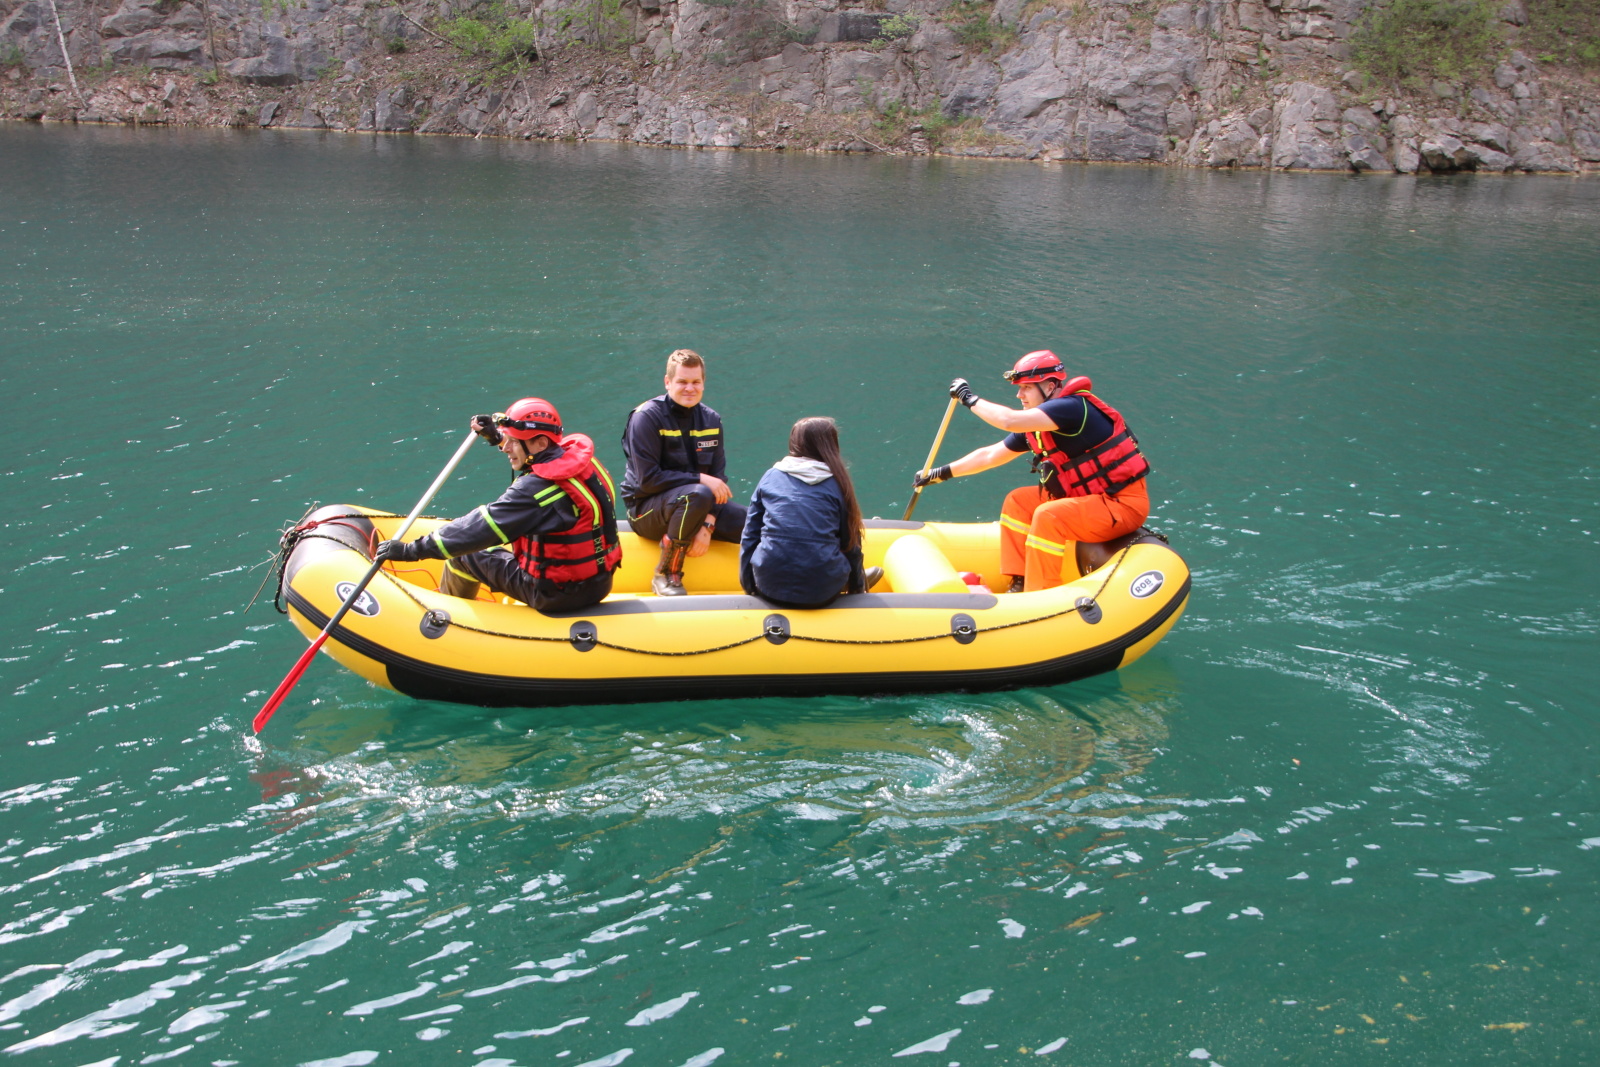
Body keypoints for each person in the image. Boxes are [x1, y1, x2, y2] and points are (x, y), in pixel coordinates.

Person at [911, 351, 1151, 593]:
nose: (1019, 395)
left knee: (1049, 515)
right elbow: (990, 455)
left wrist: (969, 398)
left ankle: (1040, 592)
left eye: (1026, 387)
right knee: (1018, 502)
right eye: (1019, 388)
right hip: (1086, 500)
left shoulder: (1072, 409)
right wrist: (940, 473)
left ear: (1050, 386)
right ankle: (1020, 580)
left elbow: (1008, 420)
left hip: (1121, 505)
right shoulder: (1038, 425)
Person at [374, 397, 622, 613]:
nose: (506, 448)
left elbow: (479, 528)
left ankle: (449, 619)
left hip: (554, 594)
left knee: (463, 555)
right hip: (600, 582)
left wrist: (410, 551)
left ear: (541, 444)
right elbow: (531, 453)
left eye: (513, 441)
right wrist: (495, 436)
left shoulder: (533, 492)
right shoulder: (585, 464)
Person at [620, 348, 747, 597]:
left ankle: (778, 577)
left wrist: (707, 525)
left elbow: (719, 483)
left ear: (703, 383)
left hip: (699, 505)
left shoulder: (711, 420)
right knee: (697, 493)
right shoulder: (646, 418)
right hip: (646, 510)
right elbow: (648, 480)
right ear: (668, 382)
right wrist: (700, 478)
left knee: (759, 521)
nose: (690, 388)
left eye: (696, 382)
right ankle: (666, 573)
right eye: (682, 382)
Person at [740, 417, 883, 609]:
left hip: (768, 585)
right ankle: (848, 581)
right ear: (831, 445)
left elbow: (750, 535)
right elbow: (851, 545)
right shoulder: (838, 482)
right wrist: (858, 590)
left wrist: (749, 585)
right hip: (821, 592)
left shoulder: (771, 476)